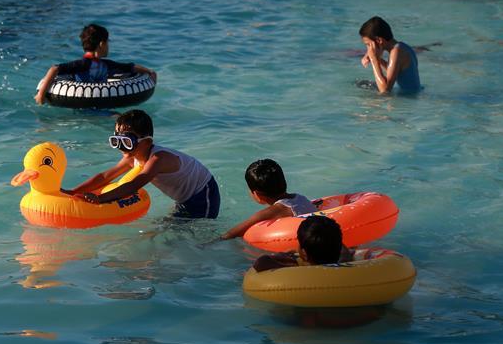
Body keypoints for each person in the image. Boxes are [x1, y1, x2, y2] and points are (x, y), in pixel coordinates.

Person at [65, 109, 221, 220]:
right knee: (166, 228)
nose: (121, 147)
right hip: (183, 198)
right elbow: (105, 176)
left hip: (204, 194)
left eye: (126, 142)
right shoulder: (133, 156)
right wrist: (72, 192)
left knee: (195, 238)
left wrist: (100, 199)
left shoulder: (158, 159)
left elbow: (133, 185)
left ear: (146, 142)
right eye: (116, 140)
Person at [34, 24, 157, 105]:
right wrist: (41, 94)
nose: (108, 46)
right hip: (82, 105)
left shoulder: (105, 64)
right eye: (108, 42)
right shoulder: (83, 64)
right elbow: (54, 69)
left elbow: (129, 67)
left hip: (97, 103)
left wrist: (149, 72)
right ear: (102, 44)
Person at [220, 159, 317, 240]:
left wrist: (218, 240)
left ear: (257, 194)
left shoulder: (275, 211)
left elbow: (231, 234)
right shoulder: (300, 197)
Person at [251, 215, 346, 272]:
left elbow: (261, 262)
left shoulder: (298, 269)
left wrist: (287, 258)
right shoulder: (345, 260)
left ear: (304, 254)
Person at [358, 16, 420, 94]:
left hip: (408, 99)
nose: (369, 50)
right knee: (362, 84)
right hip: (412, 96)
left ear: (379, 40)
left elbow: (385, 90)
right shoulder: (402, 47)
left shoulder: (396, 52)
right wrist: (378, 59)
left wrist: (374, 59)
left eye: (368, 44)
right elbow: (394, 72)